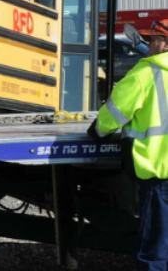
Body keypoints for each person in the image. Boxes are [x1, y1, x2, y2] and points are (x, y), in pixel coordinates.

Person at [92, 19, 168, 271]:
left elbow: (112, 115)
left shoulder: (145, 74)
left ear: (165, 44)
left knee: (155, 247)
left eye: (153, 38)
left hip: (160, 175)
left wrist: (98, 131)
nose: (149, 43)